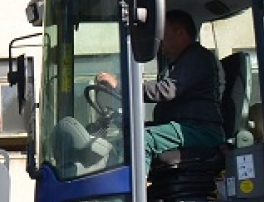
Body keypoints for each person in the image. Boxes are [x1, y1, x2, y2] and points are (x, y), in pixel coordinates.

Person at [97, 9, 227, 155]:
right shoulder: (180, 62)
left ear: (180, 34)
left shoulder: (197, 57)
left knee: (140, 141)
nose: (160, 41)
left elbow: (167, 90)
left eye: (163, 35)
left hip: (200, 130)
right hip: (186, 126)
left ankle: (136, 179)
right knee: (128, 135)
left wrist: (121, 86)